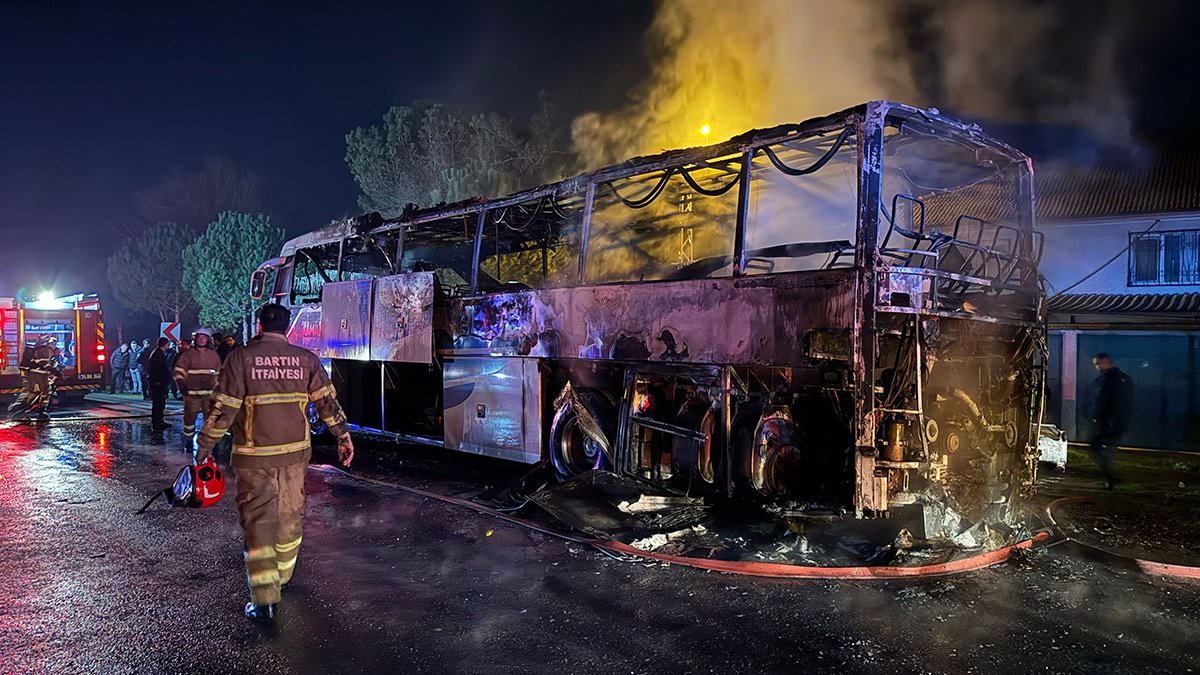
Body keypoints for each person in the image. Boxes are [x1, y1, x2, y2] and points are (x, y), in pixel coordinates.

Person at [196, 303, 353, 624]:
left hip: (255, 458)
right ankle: (282, 575)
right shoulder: (306, 360)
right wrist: (344, 437)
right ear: (287, 327)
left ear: (259, 324)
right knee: (289, 516)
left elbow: (223, 408)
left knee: (260, 524)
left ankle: (266, 600)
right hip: (295, 456)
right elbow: (327, 402)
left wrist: (204, 446)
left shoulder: (240, 359)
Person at [1089, 353, 1133, 490]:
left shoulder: (1107, 379)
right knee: (1108, 448)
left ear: (1105, 361)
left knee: (1097, 448)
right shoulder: (1124, 378)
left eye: (1097, 364)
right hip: (1120, 420)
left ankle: (1110, 478)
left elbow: (1103, 401)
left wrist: (1098, 416)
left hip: (1108, 420)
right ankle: (1110, 477)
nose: (1096, 367)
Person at [173, 328, 221, 451]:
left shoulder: (213, 356)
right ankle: (188, 441)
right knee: (189, 419)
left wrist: (218, 389)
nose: (201, 339)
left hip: (209, 394)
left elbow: (219, 373)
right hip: (191, 393)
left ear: (208, 340)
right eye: (199, 337)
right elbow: (179, 370)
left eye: (204, 337)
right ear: (196, 339)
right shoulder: (188, 355)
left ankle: (208, 442)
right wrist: (180, 383)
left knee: (210, 419)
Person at [8, 335, 62, 421]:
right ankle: (42, 411)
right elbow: (44, 364)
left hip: (33, 374)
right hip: (39, 375)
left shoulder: (39, 349)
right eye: (53, 343)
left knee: (32, 393)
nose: (54, 345)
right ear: (48, 342)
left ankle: (17, 408)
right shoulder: (44, 350)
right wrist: (55, 371)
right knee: (46, 391)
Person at [148, 337, 172, 431]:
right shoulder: (159, 354)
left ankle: (159, 421)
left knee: (159, 403)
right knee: (159, 403)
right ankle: (157, 422)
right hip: (158, 383)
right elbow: (158, 369)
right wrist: (159, 381)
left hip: (157, 382)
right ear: (165, 344)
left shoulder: (157, 353)